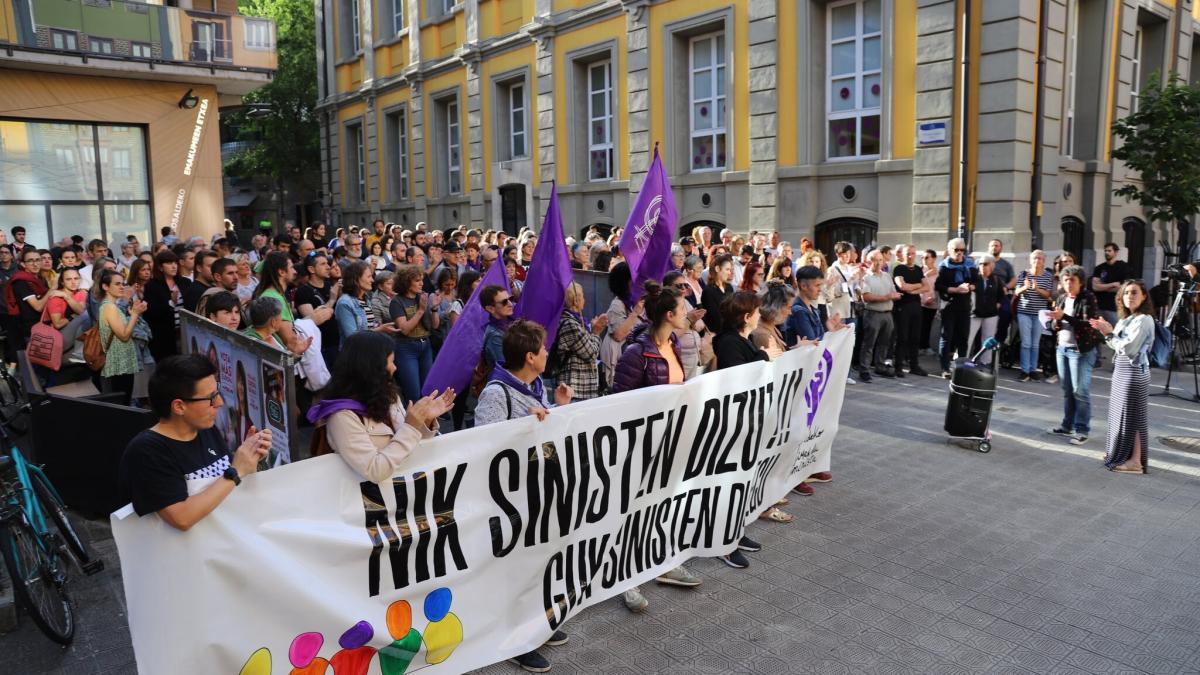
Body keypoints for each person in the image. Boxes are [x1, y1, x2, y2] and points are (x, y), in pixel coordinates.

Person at [607, 281, 705, 610]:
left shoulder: (673, 343)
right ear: (668, 315)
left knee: (664, 506)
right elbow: (618, 404)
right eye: (682, 310)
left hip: (670, 441)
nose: (687, 314)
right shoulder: (637, 354)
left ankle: (664, 564)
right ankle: (625, 579)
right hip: (641, 447)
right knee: (633, 513)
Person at [118, 354, 273, 530]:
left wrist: (250, 459)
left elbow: (227, 488)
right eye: (211, 397)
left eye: (218, 392)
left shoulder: (206, 429)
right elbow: (182, 519)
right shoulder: (147, 451)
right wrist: (236, 470)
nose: (220, 402)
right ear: (179, 406)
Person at [307, 331, 453, 483]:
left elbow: (406, 443)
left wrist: (424, 421)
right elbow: (374, 471)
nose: (395, 368)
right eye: (390, 362)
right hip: (367, 501)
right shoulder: (341, 417)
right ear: (372, 367)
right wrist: (411, 426)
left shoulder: (387, 394)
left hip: (403, 491)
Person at [710, 290, 768, 568]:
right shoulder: (730, 344)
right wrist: (764, 359)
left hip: (746, 422)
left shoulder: (740, 340)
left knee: (741, 482)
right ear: (746, 317)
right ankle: (724, 542)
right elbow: (738, 382)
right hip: (733, 424)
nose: (760, 315)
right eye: (756, 311)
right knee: (729, 483)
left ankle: (736, 531)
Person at [1090, 281, 1155, 474]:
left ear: (1144, 296)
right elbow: (1115, 344)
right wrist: (1107, 331)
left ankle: (1135, 461)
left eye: (1135, 292)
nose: (1130, 296)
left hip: (1134, 372)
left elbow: (1129, 348)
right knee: (1120, 414)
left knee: (1134, 416)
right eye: (1126, 293)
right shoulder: (1127, 319)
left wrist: (1109, 333)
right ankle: (1120, 453)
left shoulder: (1144, 319)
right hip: (1121, 370)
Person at [1047, 265, 1102, 446]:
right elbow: (1058, 324)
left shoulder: (1088, 298)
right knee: (1067, 390)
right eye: (1066, 280)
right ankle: (1067, 425)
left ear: (1080, 282)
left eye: (1073, 281)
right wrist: (1054, 321)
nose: (1069, 284)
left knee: (1080, 391)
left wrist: (1065, 317)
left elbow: (1089, 324)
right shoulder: (1061, 298)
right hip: (1062, 348)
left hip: (1081, 351)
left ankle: (1082, 430)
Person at [390, 264, 438, 403]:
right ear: (406, 282)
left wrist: (434, 309)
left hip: (425, 345)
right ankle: (412, 423)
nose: (421, 283)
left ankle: (428, 422)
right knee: (414, 393)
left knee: (428, 390)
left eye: (422, 280)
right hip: (406, 348)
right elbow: (404, 329)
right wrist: (421, 310)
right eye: (417, 280)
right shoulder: (397, 302)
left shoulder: (421, 297)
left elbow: (434, 325)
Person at [553, 282, 608, 402]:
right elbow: (591, 354)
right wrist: (596, 331)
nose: (585, 299)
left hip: (582, 390)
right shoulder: (570, 324)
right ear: (576, 301)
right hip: (574, 391)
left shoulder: (576, 321)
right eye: (582, 296)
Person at [97, 270, 145, 405]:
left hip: (122, 362)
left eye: (123, 283)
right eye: (117, 284)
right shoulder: (109, 307)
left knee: (124, 402)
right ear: (105, 287)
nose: (122, 287)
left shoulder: (112, 306)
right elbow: (124, 336)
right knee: (123, 404)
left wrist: (131, 315)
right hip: (118, 364)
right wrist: (135, 314)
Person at [934, 238, 980, 378]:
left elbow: (977, 282)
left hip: (965, 306)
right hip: (949, 305)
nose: (960, 253)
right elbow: (938, 286)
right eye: (956, 250)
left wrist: (971, 287)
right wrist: (955, 289)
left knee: (963, 338)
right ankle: (945, 368)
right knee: (946, 337)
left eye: (962, 250)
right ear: (949, 251)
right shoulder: (944, 266)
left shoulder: (970, 265)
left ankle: (961, 367)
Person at [598, 264, 644, 390]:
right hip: (619, 360)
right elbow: (618, 335)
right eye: (633, 279)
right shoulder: (617, 305)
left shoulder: (635, 301)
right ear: (625, 282)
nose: (637, 282)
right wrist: (635, 313)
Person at [858, 250, 901, 381]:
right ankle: (864, 369)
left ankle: (880, 366)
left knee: (884, 343)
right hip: (873, 313)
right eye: (874, 260)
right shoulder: (865, 277)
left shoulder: (887, 276)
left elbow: (893, 292)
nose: (878, 263)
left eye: (880, 260)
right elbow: (866, 297)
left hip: (887, 314)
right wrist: (886, 297)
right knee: (869, 344)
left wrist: (894, 296)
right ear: (869, 261)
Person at [295, 252, 341, 368]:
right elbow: (311, 322)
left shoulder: (330, 285)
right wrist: (331, 300)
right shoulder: (303, 291)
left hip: (337, 343)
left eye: (328, 263)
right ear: (311, 269)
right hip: (321, 348)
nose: (328, 267)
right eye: (323, 264)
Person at [1014, 250, 1055, 381]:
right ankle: (1025, 370)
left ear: (1044, 261)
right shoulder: (1024, 274)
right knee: (1026, 343)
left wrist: (1037, 289)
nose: (1037, 261)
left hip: (1039, 314)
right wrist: (1025, 288)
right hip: (1024, 312)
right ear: (1030, 260)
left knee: (1035, 344)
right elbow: (1017, 292)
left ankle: (1033, 370)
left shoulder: (1048, 276)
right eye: (1035, 258)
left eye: (1040, 259)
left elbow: (1048, 295)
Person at [334, 260, 397, 345]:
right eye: (369, 277)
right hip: (355, 355)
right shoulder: (345, 303)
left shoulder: (366, 298)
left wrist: (380, 326)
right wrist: (379, 329)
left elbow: (369, 326)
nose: (372, 280)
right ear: (356, 280)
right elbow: (352, 337)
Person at [891, 245, 928, 377]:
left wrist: (913, 289)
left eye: (913, 253)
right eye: (908, 254)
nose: (911, 256)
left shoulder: (918, 269)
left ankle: (914, 365)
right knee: (902, 337)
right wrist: (918, 286)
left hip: (916, 306)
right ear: (903, 255)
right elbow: (902, 286)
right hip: (903, 307)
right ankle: (898, 367)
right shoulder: (899, 269)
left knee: (915, 337)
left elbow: (927, 287)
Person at [143, 249, 185, 361]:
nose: (174, 266)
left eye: (175, 263)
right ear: (160, 267)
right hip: (163, 337)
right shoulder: (152, 286)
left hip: (184, 333)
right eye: (169, 263)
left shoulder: (184, 283)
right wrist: (171, 302)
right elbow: (152, 313)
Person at [966, 254, 1004, 360]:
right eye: (980, 264)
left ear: (992, 266)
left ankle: (985, 363)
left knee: (988, 340)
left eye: (985, 264)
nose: (982, 266)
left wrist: (998, 304)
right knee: (967, 339)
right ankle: (960, 361)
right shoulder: (973, 278)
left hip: (991, 315)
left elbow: (1001, 295)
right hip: (974, 314)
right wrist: (969, 287)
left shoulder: (996, 280)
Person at [1090, 242, 1131, 327]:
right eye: (1105, 251)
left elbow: (1123, 288)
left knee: (1115, 331)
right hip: (1100, 307)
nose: (1106, 253)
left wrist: (1102, 287)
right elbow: (1095, 287)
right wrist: (1113, 284)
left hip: (1115, 308)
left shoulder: (1123, 267)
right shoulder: (1099, 268)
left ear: (1116, 252)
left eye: (1109, 251)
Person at [700, 253, 735, 334]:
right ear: (717, 269)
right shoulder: (708, 291)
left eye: (730, 270)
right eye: (727, 269)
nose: (730, 273)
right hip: (717, 334)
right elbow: (716, 318)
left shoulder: (729, 288)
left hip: (730, 331)